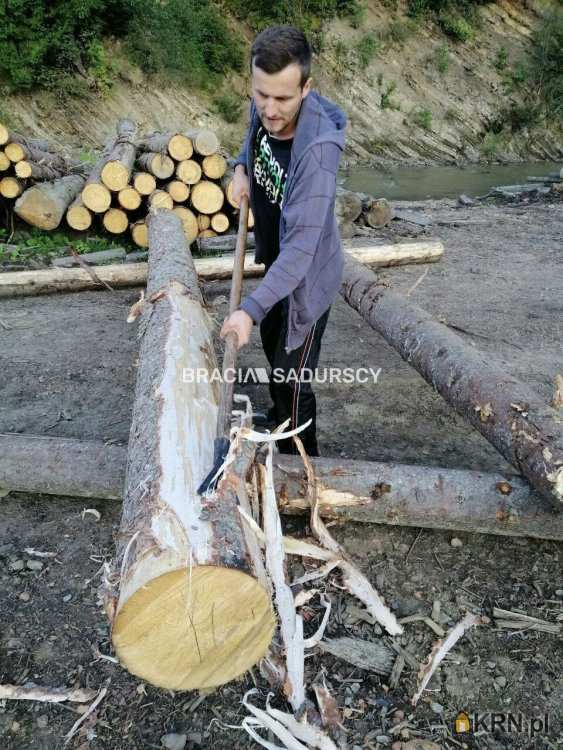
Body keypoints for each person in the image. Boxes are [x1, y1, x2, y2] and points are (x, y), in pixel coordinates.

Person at [219, 25, 347, 456]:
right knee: (277, 362)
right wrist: (240, 169)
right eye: (261, 95)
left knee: (293, 381)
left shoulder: (318, 154)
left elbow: (301, 252)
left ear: (306, 88)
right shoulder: (266, 106)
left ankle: (302, 468)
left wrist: (248, 311)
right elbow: (251, 138)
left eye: (283, 99)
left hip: (305, 280)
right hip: (277, 266)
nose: (270, 109)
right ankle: (279, 420)